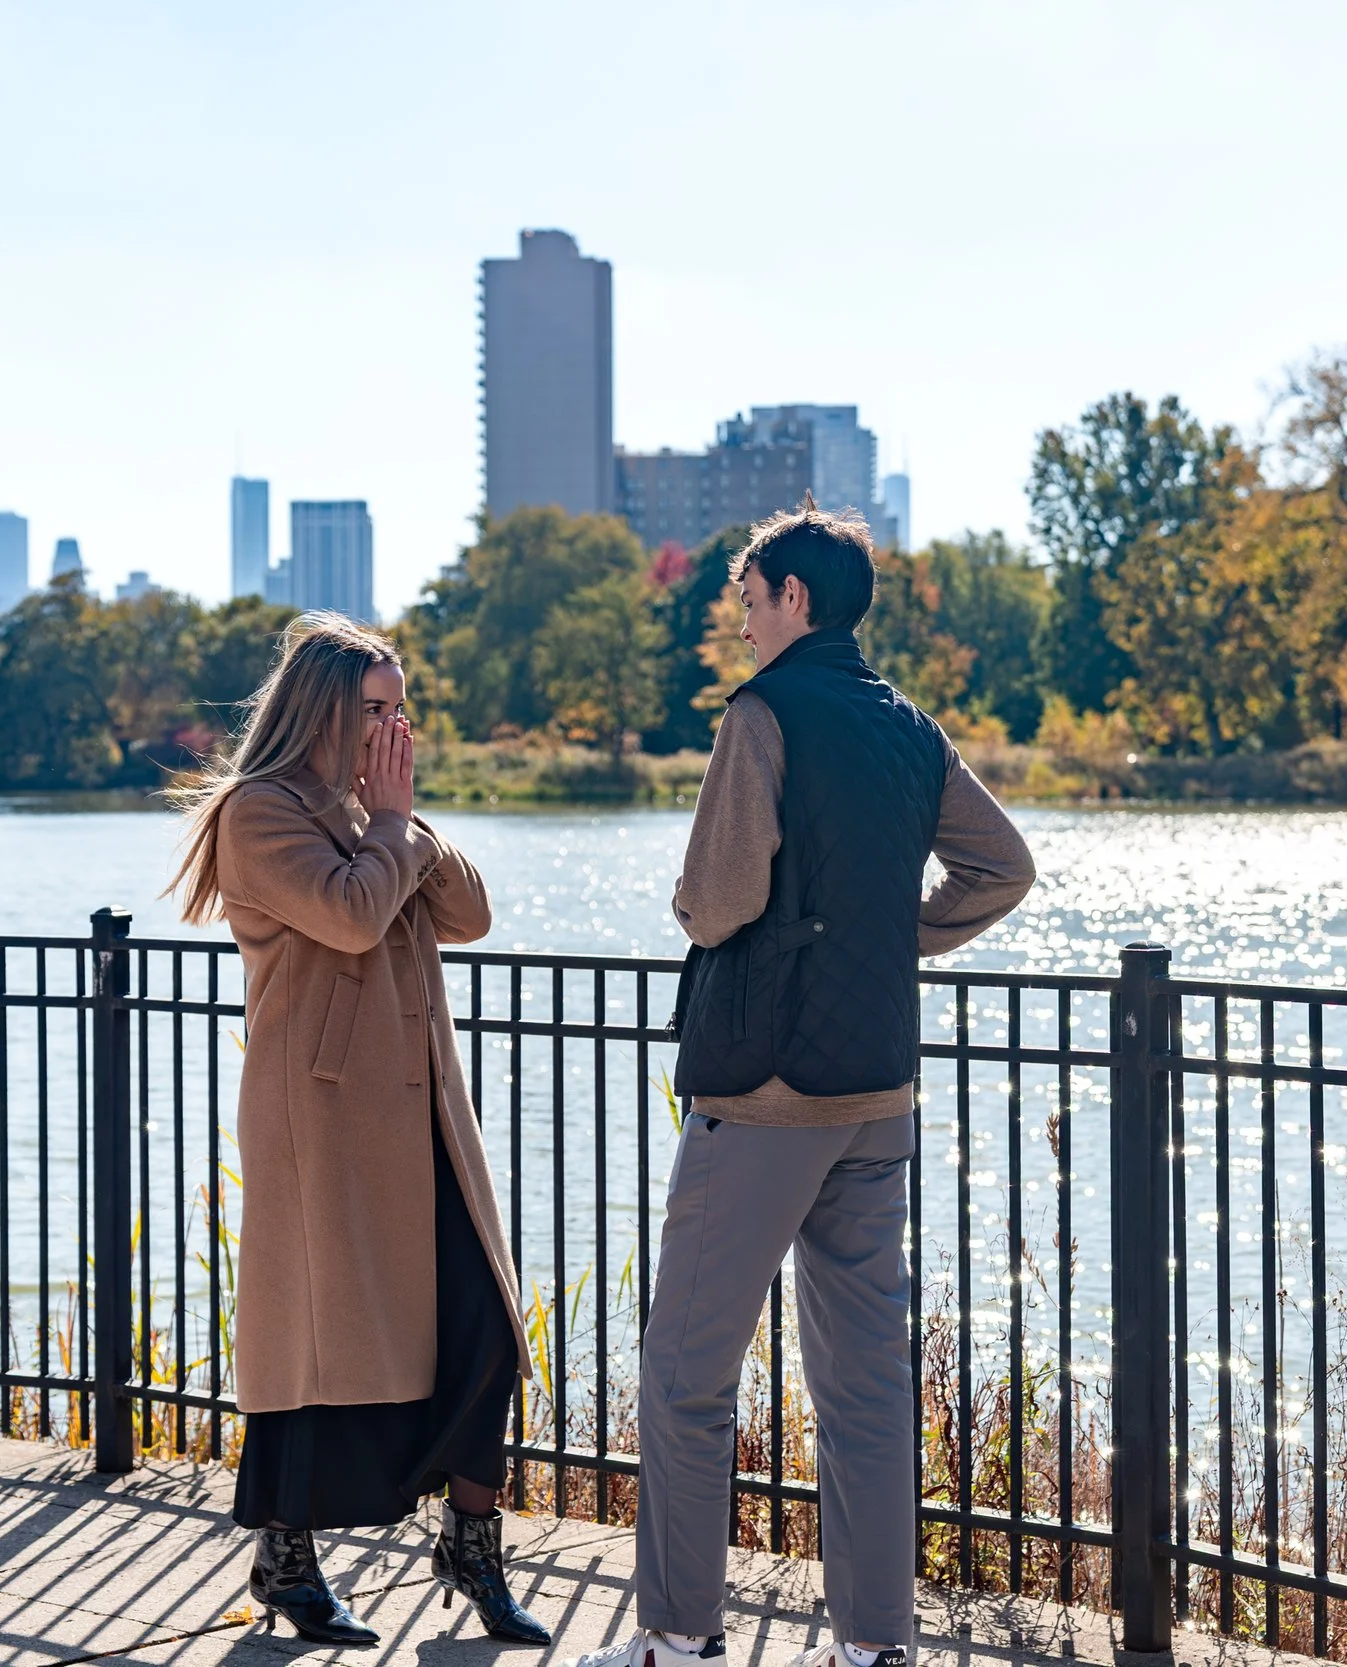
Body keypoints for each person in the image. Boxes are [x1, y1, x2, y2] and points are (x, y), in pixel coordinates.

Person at [563, 508, 1036, 1667]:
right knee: (867, 1386)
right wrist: (894, 934)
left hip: (767, 1089)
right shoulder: (912, 730)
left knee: (684, 1371)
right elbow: (1004, 866)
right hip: (875, 1090)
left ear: (796, 601)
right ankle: (874, 1646)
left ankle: (676, 1633)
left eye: (752, 595)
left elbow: (719, 899)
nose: (742, 613)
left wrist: (692, 909)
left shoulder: (762, 715)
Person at [170, 612, 551, 1649]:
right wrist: (390, 826)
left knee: (484, 1326)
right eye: (373, 708)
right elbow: (347, 914)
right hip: (325, 1118)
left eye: (399, 707)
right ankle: (286, 1558)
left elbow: (466, 914)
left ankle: (471, 1545)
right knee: (317, 1347)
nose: (394, 726)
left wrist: (404, 822)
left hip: (422, 1105)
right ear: (322, 710)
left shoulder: (376, 814)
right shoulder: (261, 813)